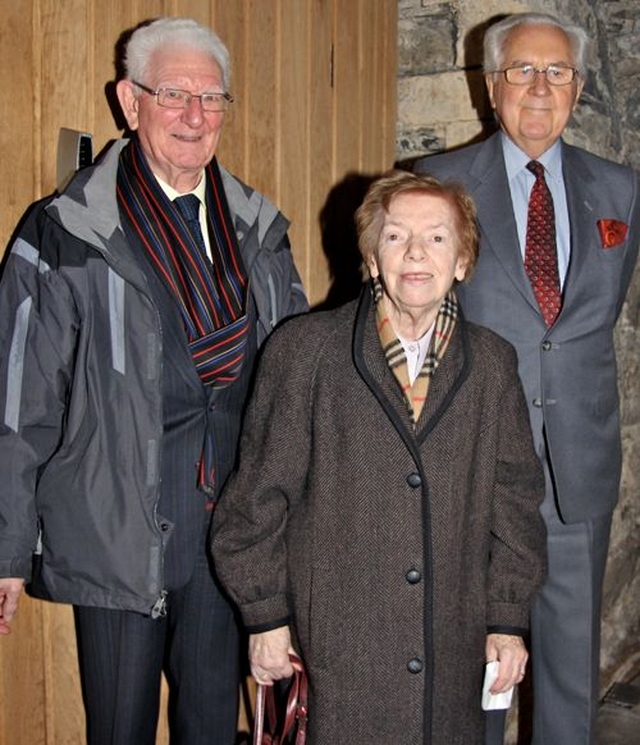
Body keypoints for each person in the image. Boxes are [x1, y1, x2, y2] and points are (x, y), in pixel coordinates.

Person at [0, 16, 307, 745]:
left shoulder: (260, 230)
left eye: (212, 99)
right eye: (173, 94)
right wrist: (6, 549)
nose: (195, 116)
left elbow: (297, 376)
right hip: (114, 527)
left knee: (209, 723)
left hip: (228, 531)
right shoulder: (64, 231)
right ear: (129, 102)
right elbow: (18, 401)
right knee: (119, 729)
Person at [211, 169, 547, 744]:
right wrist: (266, 617)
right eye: (395, 237)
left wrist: (507, 619)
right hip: (337, 652)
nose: (416, 252)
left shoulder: (492, 365)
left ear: (462, 261)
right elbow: (254, 504)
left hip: (449, 648)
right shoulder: (305, 353)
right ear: (370, 258)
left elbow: (514, 504)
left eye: (438, 237)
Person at [413, 11, 640, 745]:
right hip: (476, 469)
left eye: (559, 72)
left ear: (576, 87)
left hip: (579, 470)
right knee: (476, 668)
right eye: (522, 71)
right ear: (491, 86)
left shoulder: (621, 191)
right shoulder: (440, 184)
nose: (540, 88)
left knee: (570, 674)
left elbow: (585, 324)